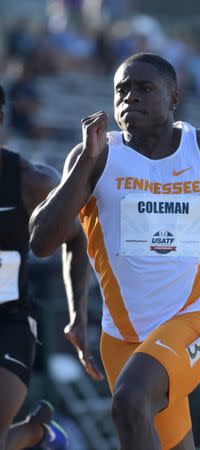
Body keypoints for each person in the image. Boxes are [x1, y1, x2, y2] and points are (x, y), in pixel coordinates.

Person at [29, 53, 200, 450]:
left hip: (195, 321)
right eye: (121, 89)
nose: (130, 98)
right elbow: (41, 242)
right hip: (123, 337)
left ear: (173, 98)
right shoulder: (96, 157)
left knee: (130, 400)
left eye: (144, 88)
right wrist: (84, 163)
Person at [0, 84, 102, 450]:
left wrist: (77, 315)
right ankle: (33, 433)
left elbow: (77, 236)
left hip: (8, 320)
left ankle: (33, 432)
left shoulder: (30, 180)